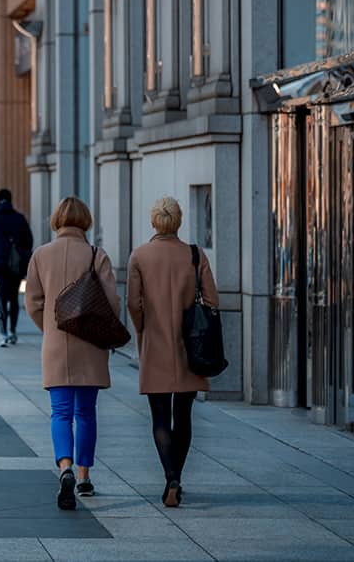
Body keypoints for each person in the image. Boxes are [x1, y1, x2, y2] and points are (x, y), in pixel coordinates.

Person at [25, 197, 118, 508]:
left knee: (61, 412)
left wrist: (49, 329)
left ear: (57, 220)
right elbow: (112, 305)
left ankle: (64, 467)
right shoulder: (97, 255)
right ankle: (84, 476)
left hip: (56, 344)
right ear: (85, 221)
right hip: (90, 344)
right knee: (86, 412)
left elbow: (33, 303)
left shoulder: (41, 255)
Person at [127, 196, 218, 508]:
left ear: (154, 222)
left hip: (155, 342)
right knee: (184, 415)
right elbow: (212, 299)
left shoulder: (139, 255)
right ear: (178, 222)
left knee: (160, 417)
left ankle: (171, 476)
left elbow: (133, 303)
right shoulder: (195, 255)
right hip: (192, 346)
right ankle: (175, 477)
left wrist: (142, 328)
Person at [0, 189, 34, 347]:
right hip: (15, 265)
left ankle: (3, 333)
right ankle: (13, 331)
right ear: (11, 200)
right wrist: (23, 255)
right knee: (14, 297)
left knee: (1, 298)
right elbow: (29, 240)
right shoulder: (19, 219)